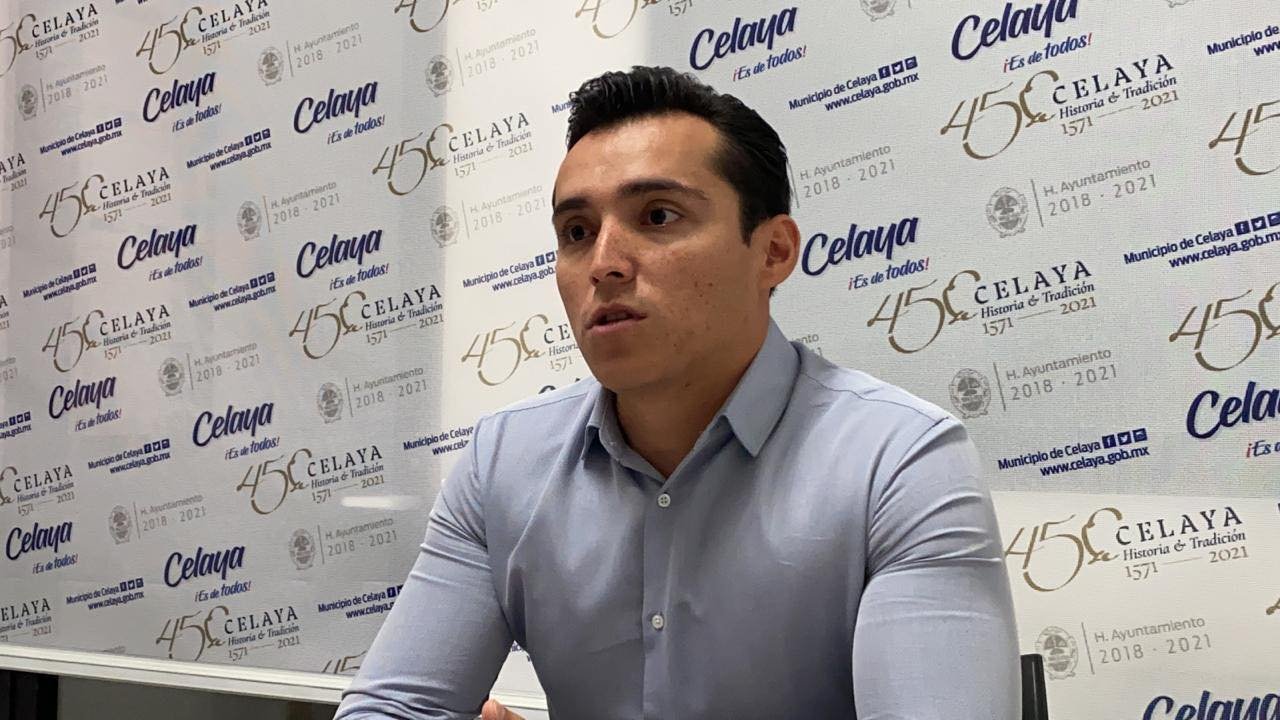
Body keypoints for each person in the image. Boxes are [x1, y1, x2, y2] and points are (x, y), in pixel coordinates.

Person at [333, 65, 1020, 720]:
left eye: (658, 216)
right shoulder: (504, 461)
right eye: (577, 232)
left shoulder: (899, 462)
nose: (604, 263)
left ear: (774, 252)